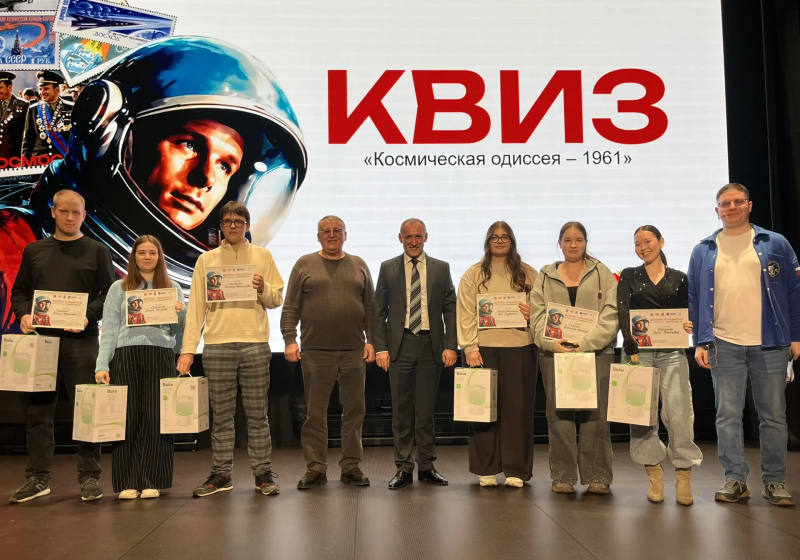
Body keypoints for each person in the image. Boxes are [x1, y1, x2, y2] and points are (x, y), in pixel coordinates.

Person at [689, 183, 799, 507]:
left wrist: (795, 336)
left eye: (738, 201)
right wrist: (700, 342)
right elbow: (695, 298)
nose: (732, 207)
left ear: (749, 205)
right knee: (727, 415)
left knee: (773, 415)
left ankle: (774, 481)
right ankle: (735, 479)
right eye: (725, 203)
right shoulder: (703, 250)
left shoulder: (775, 243)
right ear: (717, 210)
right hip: (723, 343)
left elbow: (793, 292)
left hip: (771, 342)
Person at [9, 190, 115, 503]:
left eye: (76, 212)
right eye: (64, 211)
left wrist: (87, 316)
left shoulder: (97, 250)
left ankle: (90, 478)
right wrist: (24, 314)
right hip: (40, 343)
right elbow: (19, 292)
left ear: (84, 215)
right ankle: (37, 478)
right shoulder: (34, 250)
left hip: (81, 342)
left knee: (88, 410)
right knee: (38, 414)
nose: (70, 217)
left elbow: (109, 295)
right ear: (53, 212)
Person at [177, 201, 285, 497]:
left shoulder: (262, 255)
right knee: (222, 416)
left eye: (239, 221)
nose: (233, 226)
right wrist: (188, 349)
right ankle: (221, 474)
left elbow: (276, 299)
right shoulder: (207, 260)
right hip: (217, 344)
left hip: (254, 344)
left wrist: (262, 287)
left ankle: (262, 473)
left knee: (257, 414)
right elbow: (196, 307)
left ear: (247, 226)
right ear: (221, 226)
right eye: (228, 221)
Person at [281, 215, 375, 490]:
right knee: (315, 414)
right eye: (326, 231)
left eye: (337, 230)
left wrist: (372, 341)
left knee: (354, 412)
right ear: (318, 236)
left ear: (346, 235)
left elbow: (371, 308)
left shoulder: (359, 265)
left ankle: (351, 466)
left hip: (354, 351)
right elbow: (291, 307)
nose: (332, 235)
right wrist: (289, 339)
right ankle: (316, 468)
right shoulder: (304, 264)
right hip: (315, 352)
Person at [94, 235, 187, 499]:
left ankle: (151, 479)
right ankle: (128, 481)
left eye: (152, 252)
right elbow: (110, 329)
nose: (147, 257)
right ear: (134, 256)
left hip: (160, 354)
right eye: (142, 252)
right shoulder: (119, 287)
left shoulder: (172, 287)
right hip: (126, 354)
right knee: (127, 418)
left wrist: (180, 311)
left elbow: (179, 328)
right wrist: (102, 363)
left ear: (160, 257)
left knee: (157, 418)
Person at [530, 221, 618, 494]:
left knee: (596, 415)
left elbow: (611, 314)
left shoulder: (602, 273)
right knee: (559, 416)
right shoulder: (544, 276)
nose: (573, 245)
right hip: (555, 353)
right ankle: (563, 476)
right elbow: (536, 315)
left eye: (578, 240)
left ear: (586, 243)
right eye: (567, 240)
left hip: (596, 353)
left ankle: (597, 476)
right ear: (560, 243)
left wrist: (585, 343)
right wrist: (551, 343)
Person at [618, 225, 702, 505]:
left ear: (661, 242)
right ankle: (654, 475)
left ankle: (683, 475)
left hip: (672, 352)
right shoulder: (629, 275)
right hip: (637, 353)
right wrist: (630, 345)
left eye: (648, 241)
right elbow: (623, 311)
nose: (643, 247)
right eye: (637, 243)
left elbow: (686, 312)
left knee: (679, 413)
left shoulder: (679, 277)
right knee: (640, 415)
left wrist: (689, 324)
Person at [373, 218, 457, 489]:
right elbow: (378, 310)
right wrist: (381, 347)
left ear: (426, 237)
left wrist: (450, 344)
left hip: (431, 345)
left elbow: (450, 308)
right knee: (402, 411)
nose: (413, 241)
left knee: (426, 411)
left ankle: (427, 466)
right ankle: (403, 468)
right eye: (408, 237)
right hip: (401, 345)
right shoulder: (388, 267)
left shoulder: (441, 268)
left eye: (418, 236)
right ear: (400, 238)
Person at [457, 221, 538, 488]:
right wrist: (470, 347)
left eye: (504, 237)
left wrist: (533, 313)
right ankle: (486, 467)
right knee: (483, 410)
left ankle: (516, 468)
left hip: (521, 347)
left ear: (512, 241)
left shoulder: (529, 274)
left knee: (518, 411)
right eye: (495, 237)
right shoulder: (473, 274)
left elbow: (543, 309)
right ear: (488, 241)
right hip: (483, 350)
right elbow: (466, 312)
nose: (500, 241)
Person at [21, 71, 73, 159]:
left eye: (46, 89)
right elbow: (27, 140)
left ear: (57, 89)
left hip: (63, 159)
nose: (42, 92)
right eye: (40, 89)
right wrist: (24, 163)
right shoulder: (33, 109)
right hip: (40, 160)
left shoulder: (71, 107)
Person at [0, 71, 30, 161]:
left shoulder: (23, 105)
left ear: (9, 87)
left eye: (0, 87)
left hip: (14, 156)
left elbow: (28, 134)